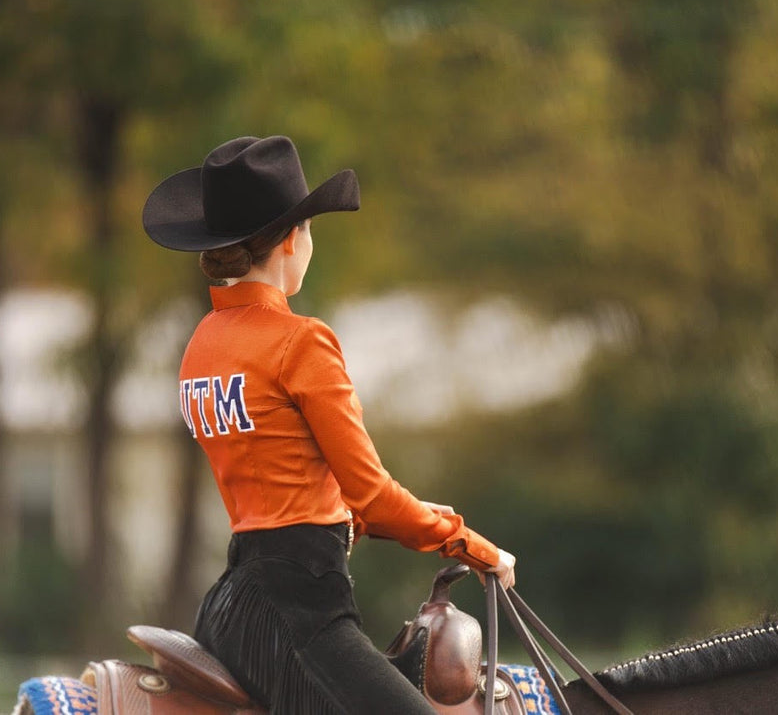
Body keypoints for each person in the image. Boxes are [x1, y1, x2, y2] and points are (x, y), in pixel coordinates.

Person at [142, 135, 516, 714]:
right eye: (310, 229)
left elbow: (313, 490)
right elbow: (372, 494)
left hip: (230, 603)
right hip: (299, 610)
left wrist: (390, 520)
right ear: (293, 240)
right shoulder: (300, 341)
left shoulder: (201, 346)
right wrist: (472, 546)